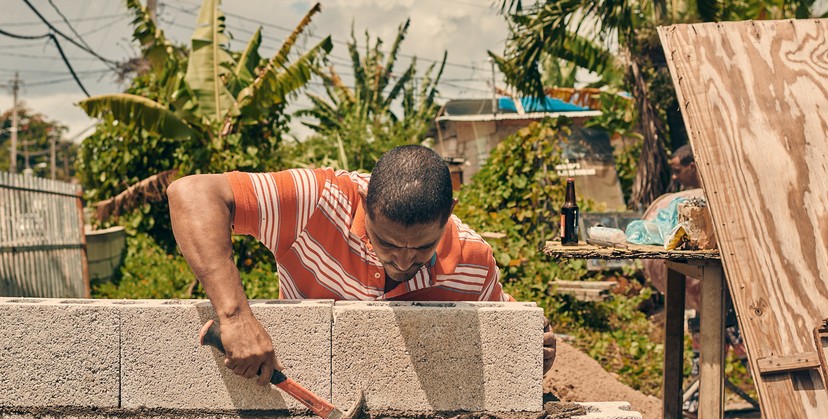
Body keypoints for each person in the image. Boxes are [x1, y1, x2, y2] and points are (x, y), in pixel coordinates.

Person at [167, 144, 556, 384]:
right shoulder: (317, 203)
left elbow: (503, 356)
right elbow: (190, 193)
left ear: (449, 214)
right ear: (366, 200)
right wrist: (235, 317)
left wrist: (530, 353)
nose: (402, 261)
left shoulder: (473, 262)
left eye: (422, 248)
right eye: (385, 241)